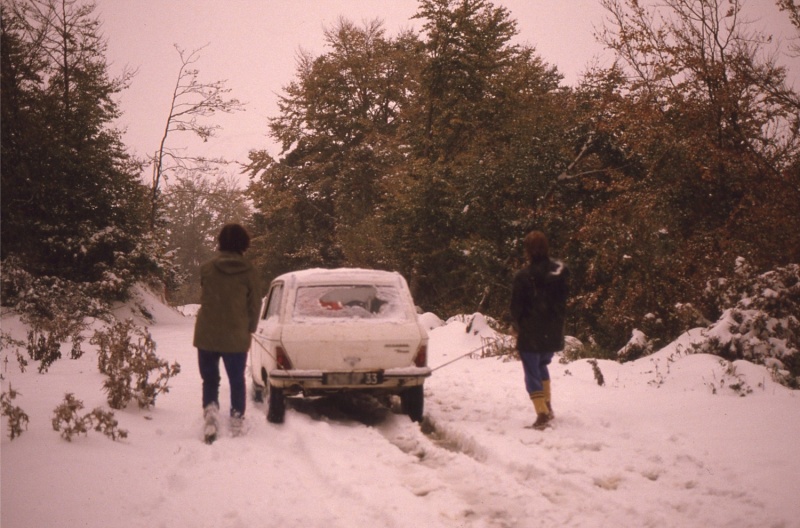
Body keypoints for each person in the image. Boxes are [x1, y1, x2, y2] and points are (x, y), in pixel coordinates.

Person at [193, 223, 261, 442]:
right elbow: (254, 305)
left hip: (207, 333)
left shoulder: (207, 268)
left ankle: (211, 413)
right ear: (244, 243)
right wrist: (250, 328)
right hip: (236, 334)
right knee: (236, 379)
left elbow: (207, 296)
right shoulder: (249, 271)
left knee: (210, 379)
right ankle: (237, 417)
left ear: (220, 241)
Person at [510, 231, 569, 430]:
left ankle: (542, 413)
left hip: (531, 333)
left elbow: (516, 308)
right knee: (542, 366)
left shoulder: (523, 277)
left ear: (527, 251)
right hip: (552, 332)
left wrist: (516, 326)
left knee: (532, 371)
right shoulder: (560, 271)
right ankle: (548, 406)